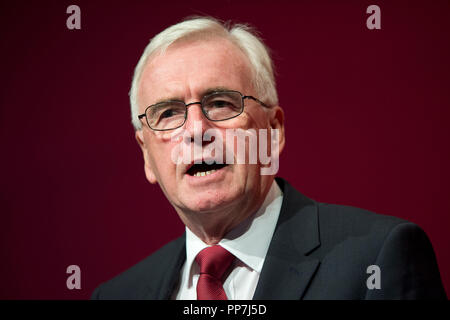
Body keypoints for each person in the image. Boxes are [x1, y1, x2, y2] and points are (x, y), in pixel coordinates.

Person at [91, 17, 446, 300]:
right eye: (168, 113)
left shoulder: (377, 257)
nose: (197, 130)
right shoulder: (117, 294)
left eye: (221, 103)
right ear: (147, 157)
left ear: (273, 131)